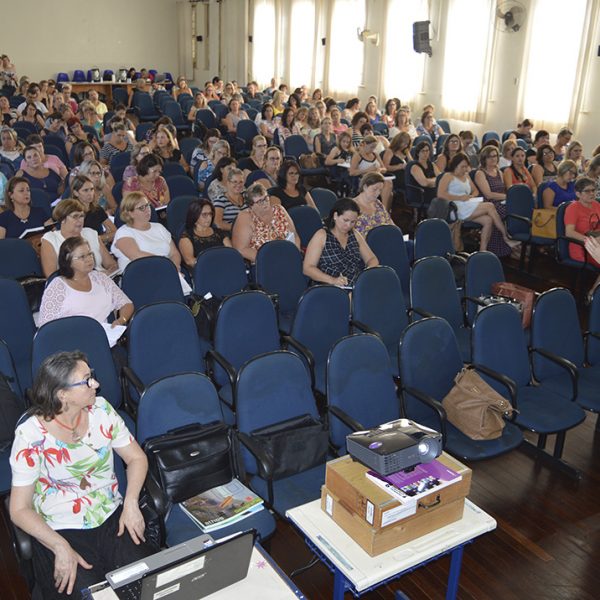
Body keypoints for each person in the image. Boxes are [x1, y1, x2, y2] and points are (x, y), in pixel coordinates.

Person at [9, 350, 155, 599]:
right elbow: (19, 509)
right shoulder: (31, 435)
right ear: (62, 394)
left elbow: (137, 457)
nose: (96, 384)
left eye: (93, 376)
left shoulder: (102, 410)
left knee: (151, 584)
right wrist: (58, 546)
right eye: (87, 380)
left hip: (111, 516)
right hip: (60, 529)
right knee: (92, 595)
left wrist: (131, 503)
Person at [38, 236, 133, 328]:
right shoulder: (58, 286)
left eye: (90, 254)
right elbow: (46, 326)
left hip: (104, 337)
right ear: (68, 261)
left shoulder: (100, 278)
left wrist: (121, 320)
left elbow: (126, 304)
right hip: (72, 341)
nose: (89, 259)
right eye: (82, 257)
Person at [111, 192, 189, 296]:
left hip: (166, 271)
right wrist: (167, 266)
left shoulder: (159, 228)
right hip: (140, 277)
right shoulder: (123, 232)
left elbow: (174, 253)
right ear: (130, 213)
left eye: (147, 205)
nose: (147, 210)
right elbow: (136, 256)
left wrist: (173, 267)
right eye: (141, 208)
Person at [438, 153, 516, 252]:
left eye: (466, 167)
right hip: (454, 207)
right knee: (490, 206)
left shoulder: (466, 176)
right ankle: (506, 236)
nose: (465, 169)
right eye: (462, 167)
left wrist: (471, 196)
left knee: (488, 220)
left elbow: (475, 191)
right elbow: (440, 194)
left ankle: (482, 251)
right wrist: (459, 197)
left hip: (466, 204)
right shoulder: (448, 176)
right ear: (455, 165)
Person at [303, 197, 378, 287]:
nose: (348, 225)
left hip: (356, 284)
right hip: (329, 286)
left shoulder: (355, 234)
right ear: (335, 216)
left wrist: (366, 274)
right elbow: (308, 268)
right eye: (345, 220)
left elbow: (372, 259)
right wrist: (332, 280)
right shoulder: (322, 235)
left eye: (353, 222)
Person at [41, 199, 117, 277]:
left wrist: (109, 274)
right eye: (75, 216)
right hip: (71, 285)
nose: (80, 220)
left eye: (81, 216)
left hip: (102, 280)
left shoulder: (90, 233)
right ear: (62, 219)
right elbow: (51, 276)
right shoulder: (50, 239)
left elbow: (111, 264)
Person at [232, 183, 300, 263]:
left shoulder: (279, 210)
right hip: (264, 264)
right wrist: (270, 260)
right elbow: (241, 249)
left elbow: (295, 236)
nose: (265, 203)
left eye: (266, 198)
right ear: (251, 205)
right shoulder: (245, 217)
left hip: (288, 257)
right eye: (260, 201)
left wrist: (294, 254)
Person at [565, 177, 600, 299]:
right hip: (581, 247)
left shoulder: (596, 205)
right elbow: (569, 233)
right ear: (578, 194)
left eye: (593, 190)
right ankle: (592, 294)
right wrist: (591, 242)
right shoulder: (573, 208)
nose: (592, 193)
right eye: (587, 191)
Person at [474, 146, 511, 257]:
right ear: (484, 159)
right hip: (488, 202)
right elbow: (488, 194)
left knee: (515, 210)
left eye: (495, 156)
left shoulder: (499, 172)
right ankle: (504, 241)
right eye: (489, 157)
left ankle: (509, 247)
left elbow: (504, 189)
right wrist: (506, 197)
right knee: (504, 212)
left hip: (501, 200)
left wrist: (506, 197)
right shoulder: (480, 173)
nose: (493, 159)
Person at [178, 200, 231, 269]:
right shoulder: (186, 236)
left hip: (225, 267)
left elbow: (231, 253)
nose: (209, 218)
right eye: (204, 215)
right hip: (203, 272)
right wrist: (213, 265)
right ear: (195, 216)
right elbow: (190, 261)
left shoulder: (219, 232)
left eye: (210, 214)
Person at [71, 174, 116, 245]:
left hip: (101, 246)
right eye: (85, 190)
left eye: (92, 189)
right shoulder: (72, 213)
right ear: (76, 193)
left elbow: (114, 231)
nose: (90, 193)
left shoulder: (97, 209)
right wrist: (105, 237)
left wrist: (97, 238)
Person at [213, 167, 246, 232]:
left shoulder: (247, 197)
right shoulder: (220, 200)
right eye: (235, 182)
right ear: (228, 183)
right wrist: (238, 229)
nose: (238, 185)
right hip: (230, 234)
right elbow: (217, 223)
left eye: (241, 182)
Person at [409, 141, 441, 206]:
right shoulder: (415, 166)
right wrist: (435, 180)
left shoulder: (432, 164)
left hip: (433, 190)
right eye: (423, 151)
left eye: (427, 151)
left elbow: (441, 178)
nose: (425, 153)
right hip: (421, 194)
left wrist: (431, 182)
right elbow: (424, 183)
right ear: (418, 153)